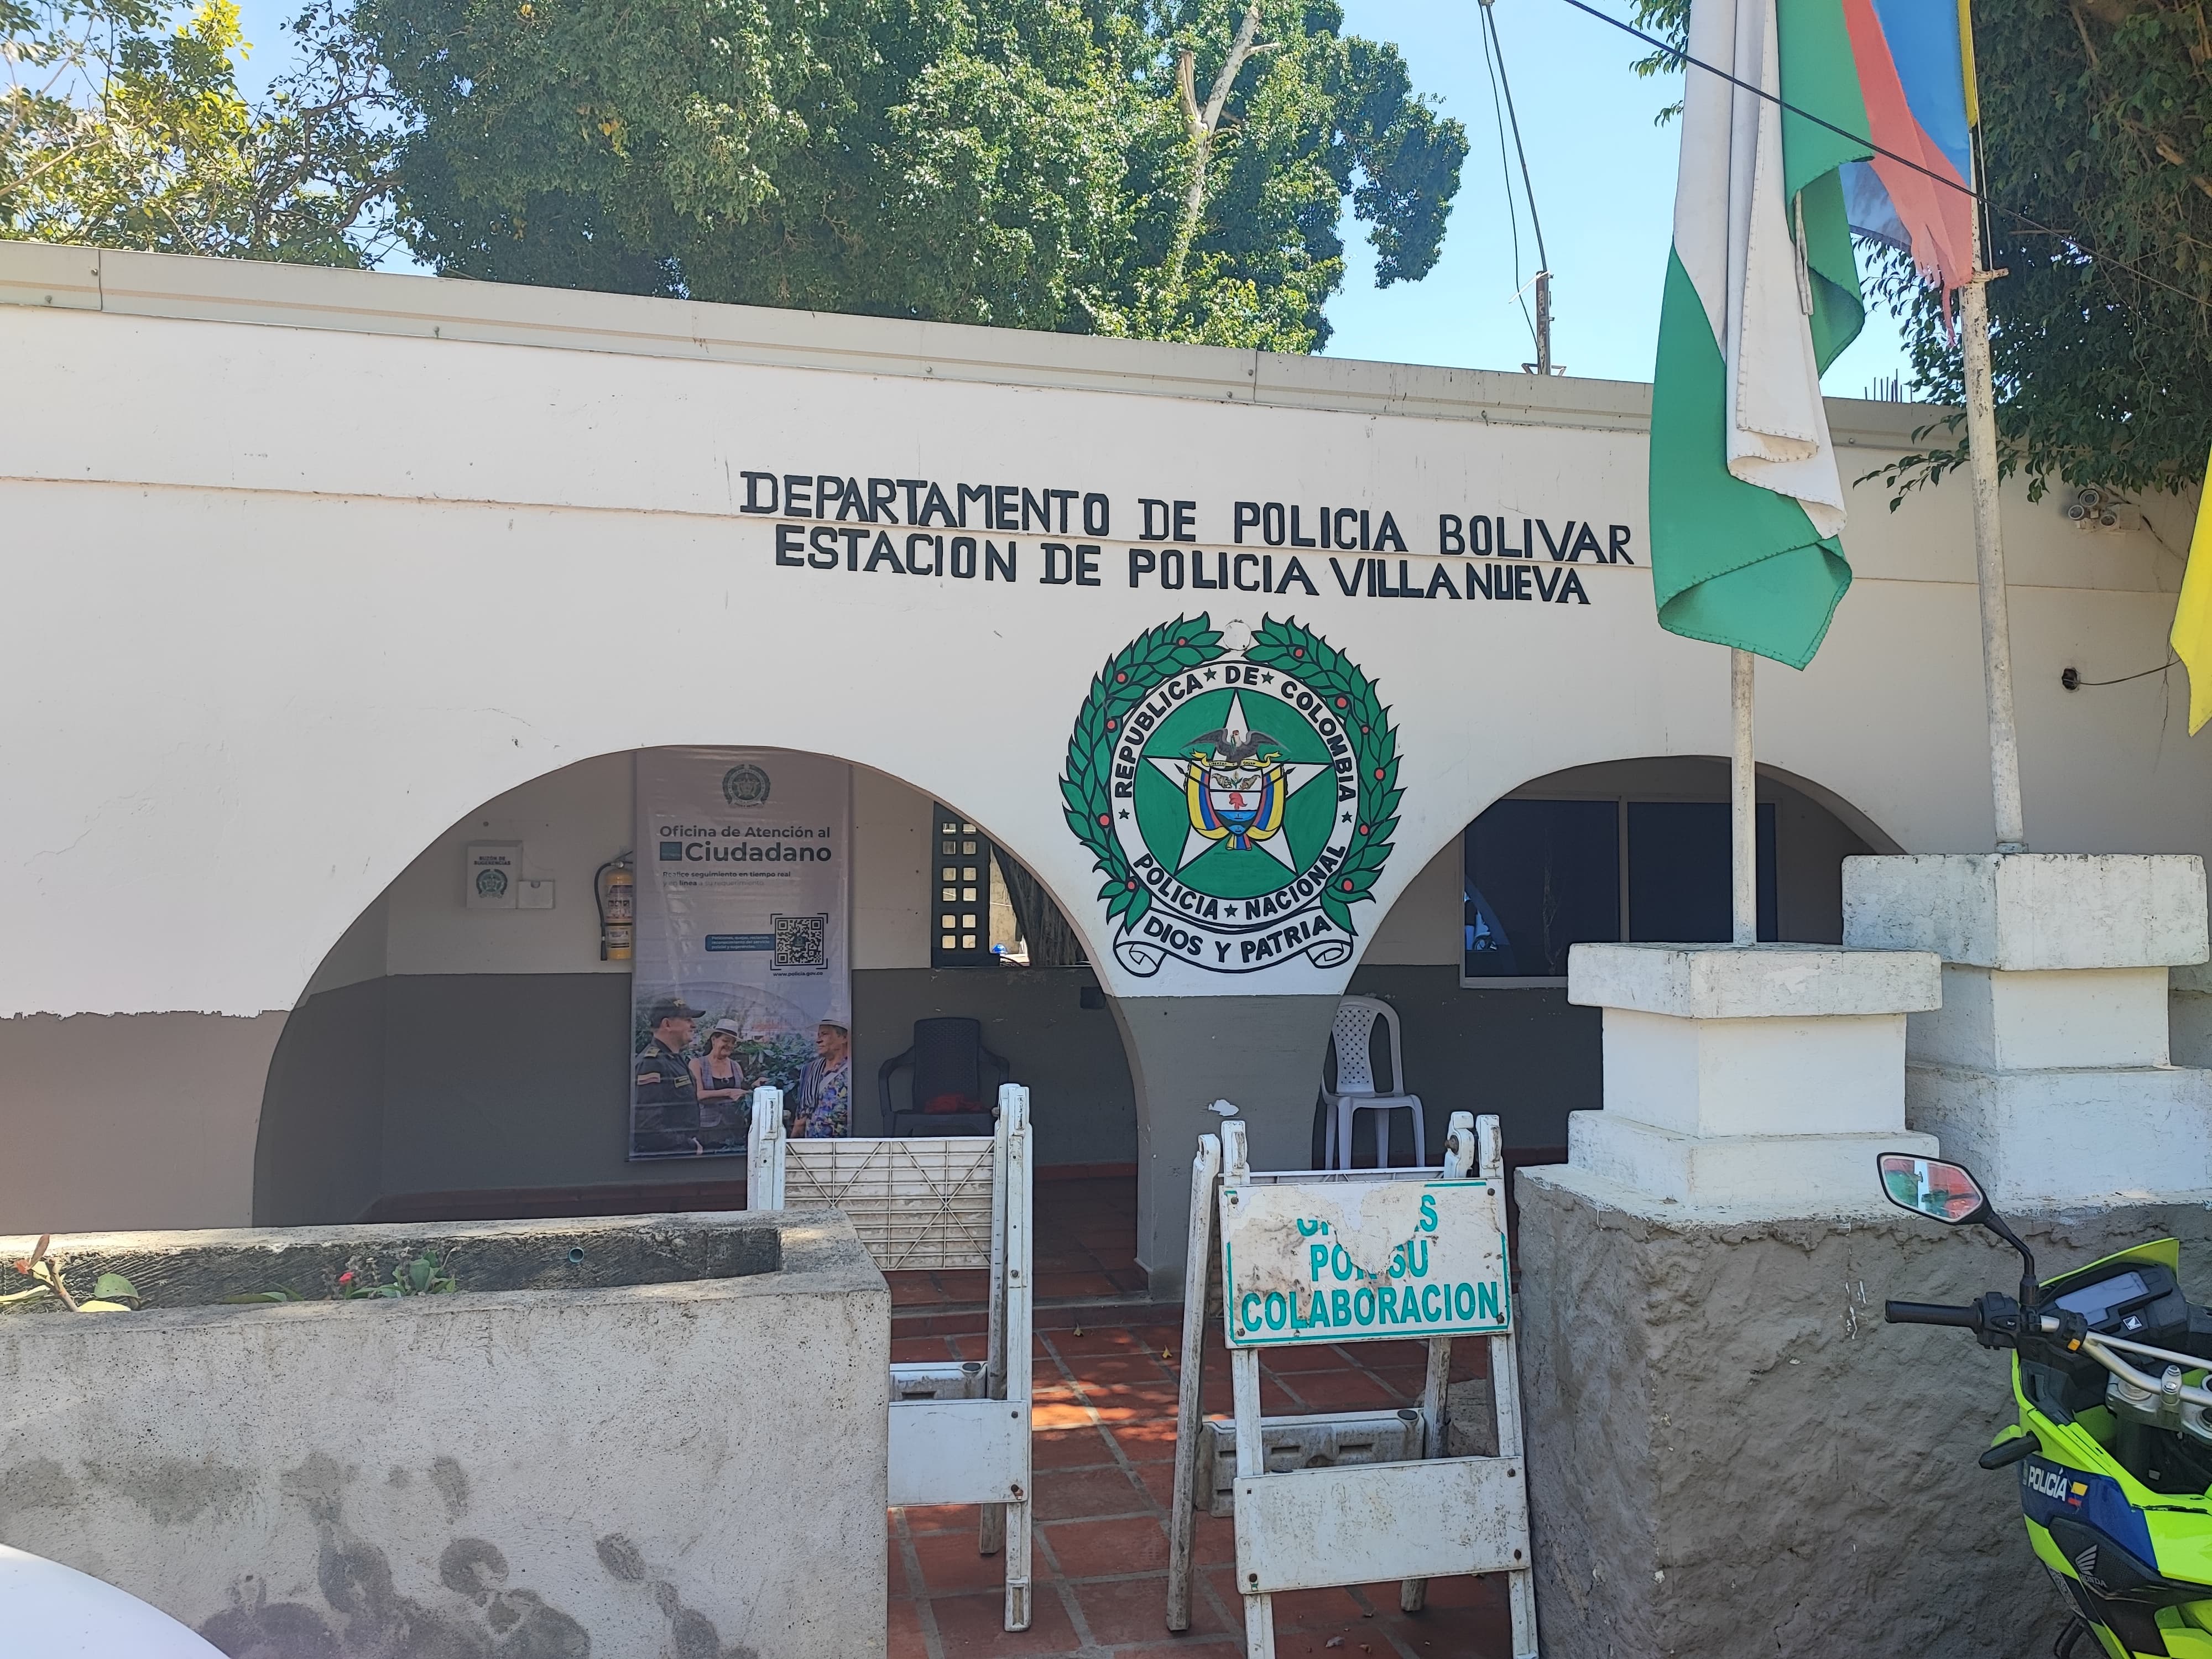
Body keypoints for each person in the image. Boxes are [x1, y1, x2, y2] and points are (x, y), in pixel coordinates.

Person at [632, 998, 704, 1155]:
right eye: (687, 1020)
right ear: (667, 1025)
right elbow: (648, 1129)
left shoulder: (674, 1059)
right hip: (667, 1160)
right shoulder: (652, 1064)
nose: (694, 1025)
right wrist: (689, 1146)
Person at [788, 1020, 851, 1139]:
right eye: (818, 1035)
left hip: (846, 1148)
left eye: (825, 1034)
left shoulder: (854, 1071)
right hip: (813, 1149)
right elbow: (800, 1120)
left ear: (844, 1038)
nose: (818, 1040)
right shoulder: (811, 1070)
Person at [692, 1019, 749, 1144]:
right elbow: (699, 1095)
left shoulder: (736, 1066)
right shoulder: (698, 1064)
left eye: (733, 1042)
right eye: (725, 1040)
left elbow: (742, 1092)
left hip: (734, 1128)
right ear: (714, 1040)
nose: (730, 1045)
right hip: (707, 1130)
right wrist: (728, 1092)